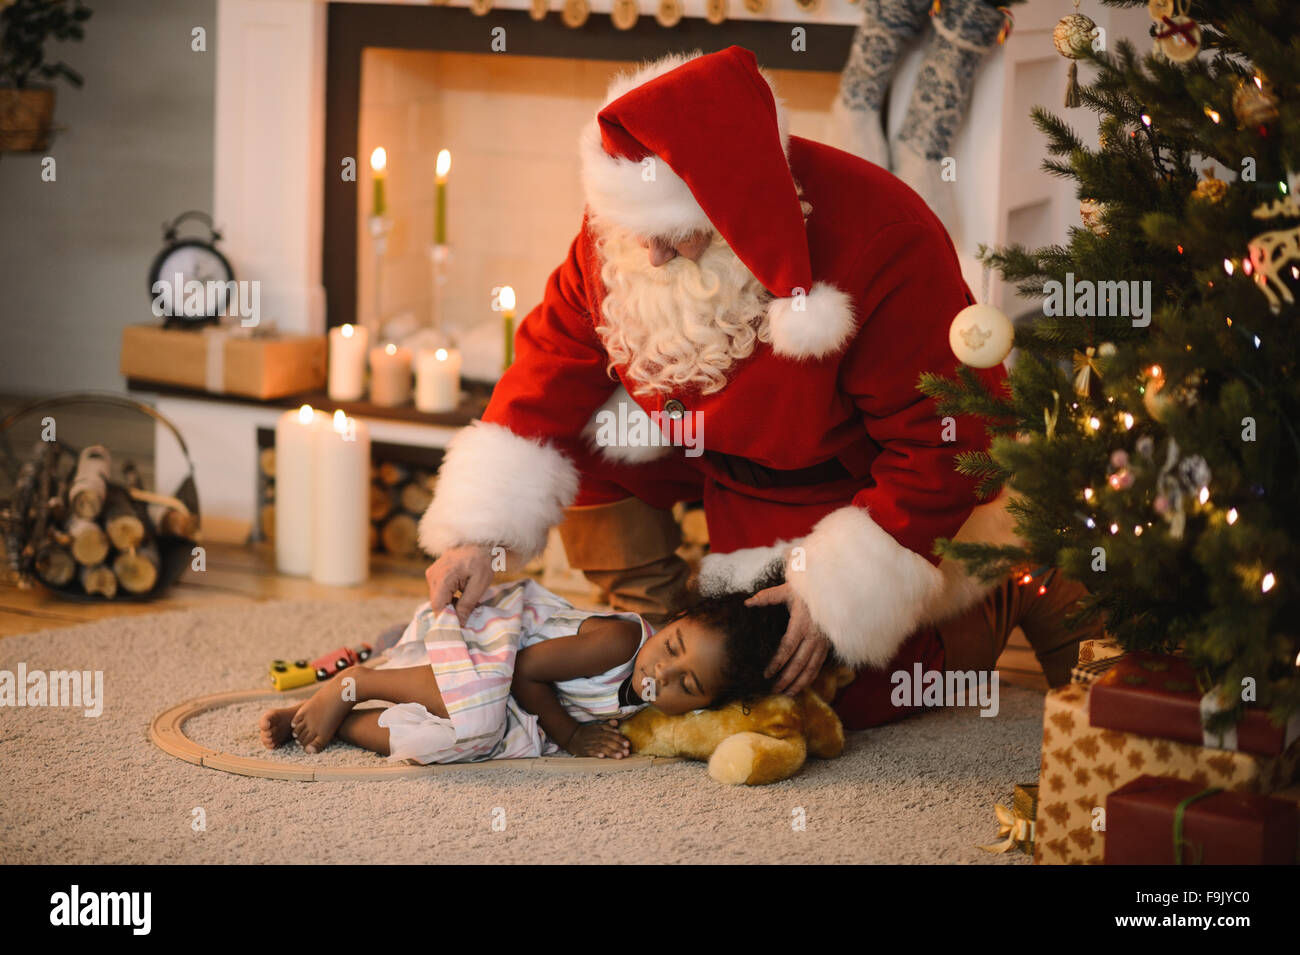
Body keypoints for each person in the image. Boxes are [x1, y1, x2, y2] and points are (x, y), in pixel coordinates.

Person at [419, 46, 1090, 732]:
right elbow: (549, 364)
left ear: (736, 212)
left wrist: (837, 594)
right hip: (709, 457)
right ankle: (660, 619)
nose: (648, 256)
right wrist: (478, 534)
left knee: (810, 691)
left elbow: (941, 440)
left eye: (673, 238)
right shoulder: (624, 231)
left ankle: (1014, 583)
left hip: (846, 485)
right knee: (595, 441)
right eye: (636, 232)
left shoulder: (884, 241)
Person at [258, 579, 787, 763]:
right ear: (673, 620)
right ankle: (356, 683)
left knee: (472, 741)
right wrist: (573, 733)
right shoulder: (621, 641)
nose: (662, 675)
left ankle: (342, 720)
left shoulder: (659, 702)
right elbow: (523, 672)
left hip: (516, 697)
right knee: (482, 710)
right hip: (490, 643)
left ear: (702, 705)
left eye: (686, 685)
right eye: (672, 648)